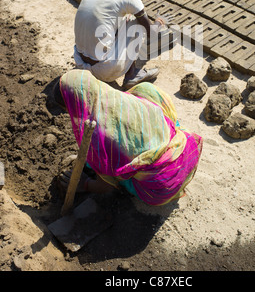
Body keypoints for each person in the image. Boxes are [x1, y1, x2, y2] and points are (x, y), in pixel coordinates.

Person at [56, 69, 203, 206]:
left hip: (162, 186)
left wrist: (85, 184)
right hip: (188, 150)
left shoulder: (99, 137)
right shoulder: (143, 91)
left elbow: (105, 187)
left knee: (108, 164)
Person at [73, 0, 169, 90]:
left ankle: (121, 66)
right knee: (136, 23)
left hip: (80, 63)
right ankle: (132, 75)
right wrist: (159, 23)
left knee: (119, 18)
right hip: (103, 70)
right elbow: (151, 33)